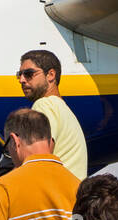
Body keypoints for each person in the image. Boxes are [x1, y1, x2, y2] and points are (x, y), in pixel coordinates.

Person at [17, 49, 88, 179]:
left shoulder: (44, 105)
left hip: (52, 196)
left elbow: (38, 160)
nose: (21, 80)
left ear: (50, 75)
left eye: (28, 74)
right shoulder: (63, 110)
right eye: (19, 75)